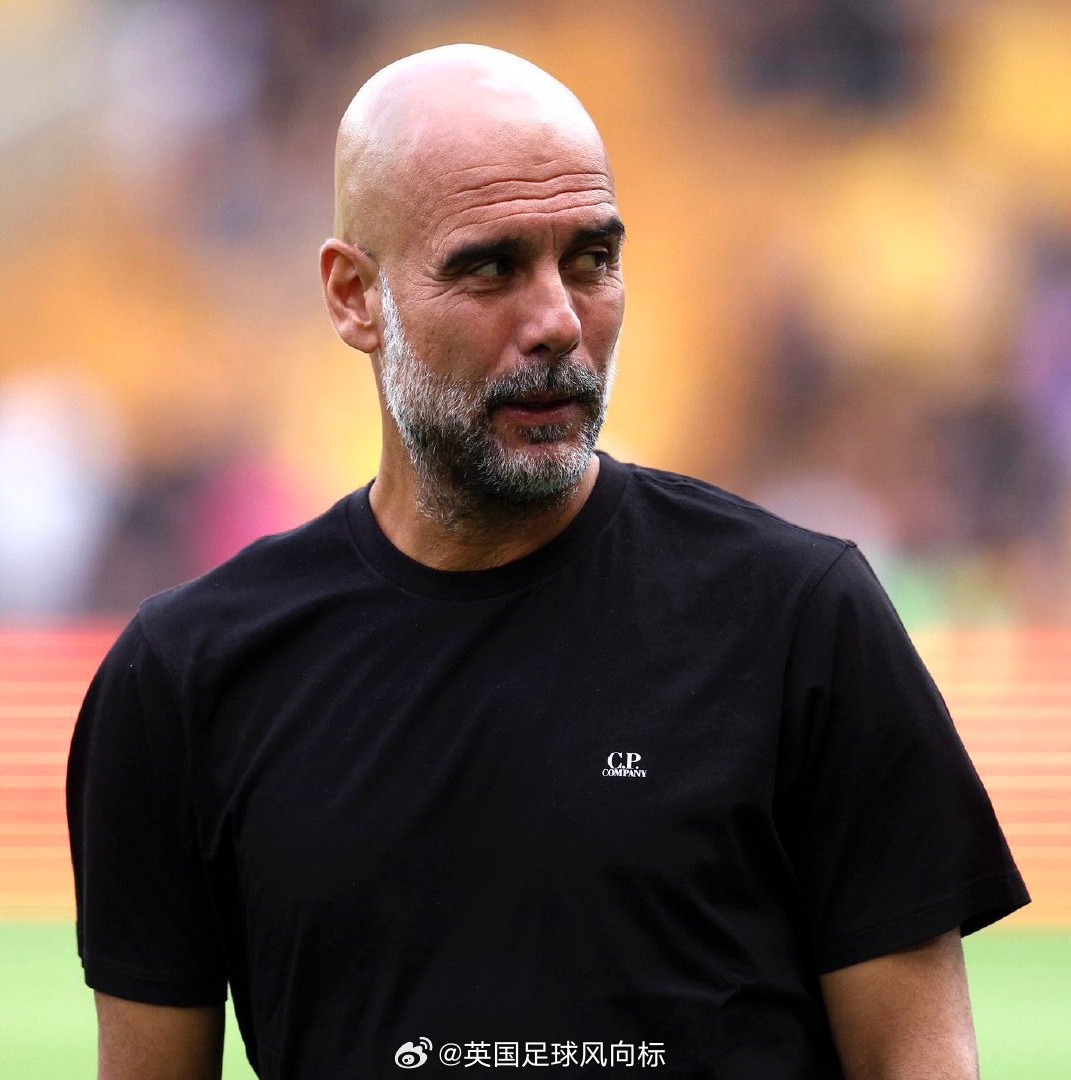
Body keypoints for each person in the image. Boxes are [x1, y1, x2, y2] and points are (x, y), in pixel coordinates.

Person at [68, 44, 1028, 1079]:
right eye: (490, 267)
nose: (559, 322)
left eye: (591, 259)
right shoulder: (187, 678)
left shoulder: (801, 620)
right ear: (354, 296)